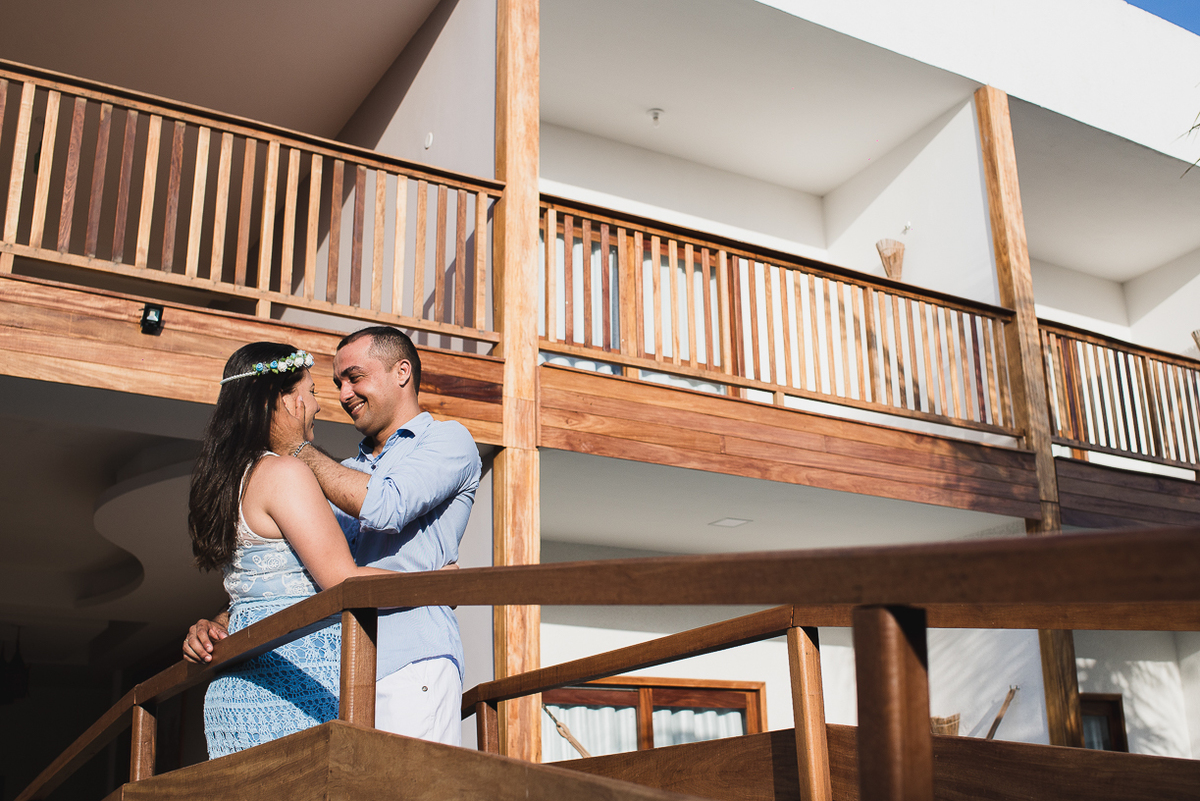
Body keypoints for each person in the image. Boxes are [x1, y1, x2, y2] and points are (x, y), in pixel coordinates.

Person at [185, 326, 481, 746]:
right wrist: (220, 621)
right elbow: (298, 569)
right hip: (339, 675)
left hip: (409, 662)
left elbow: (387, 505)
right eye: (335, 383)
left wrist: (298, 450)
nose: (341, 395)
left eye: (354, 378)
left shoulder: (447, 440)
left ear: (402, 372)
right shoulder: (335, 473)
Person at [187, 342, 392, 758]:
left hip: (236, 691)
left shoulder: (227, 481)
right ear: (283, 400)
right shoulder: (284, 473)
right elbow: (341, 579)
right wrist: (439, 582)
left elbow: (256, 587)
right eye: (311, 392)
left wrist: (217, 619)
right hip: (293, 682)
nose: (317, 405)